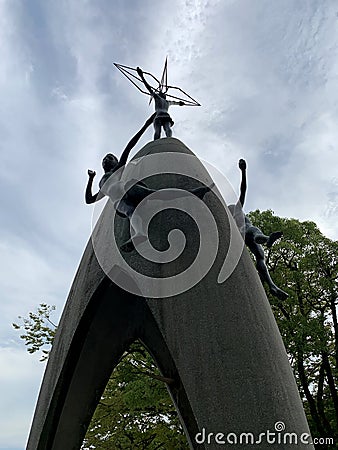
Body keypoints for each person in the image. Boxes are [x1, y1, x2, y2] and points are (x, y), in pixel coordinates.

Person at [85, 115, 211, 252]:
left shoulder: (117, 170)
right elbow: (89, 199)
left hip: (127, 188)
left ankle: (192, 193)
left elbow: (129, 146)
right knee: (130, 212)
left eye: (110, 157)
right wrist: (91, 179)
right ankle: (140, 234)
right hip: (118, 201)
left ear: (116, 162)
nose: (106, 159)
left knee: (156, 195)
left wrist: (145, 125)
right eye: (104, 159)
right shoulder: (102, 186)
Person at [229, 159, 288, 300]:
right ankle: (267, 239)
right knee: (254, 231)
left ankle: (272, 286)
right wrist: (243, 171)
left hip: (242, 238)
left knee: (260, 256)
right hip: (246, 232)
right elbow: (243, 190)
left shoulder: (230, 215)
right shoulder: (236, 211)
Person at [137, 66, 185, 140]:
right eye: (162, 93)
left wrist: (180, 103)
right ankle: (158, 142)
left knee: (167, 129)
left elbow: (175, 103)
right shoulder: (158, 98)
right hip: (159, 116)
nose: (163, 94)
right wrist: (142, 77)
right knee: (158, 131)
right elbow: (149, 88)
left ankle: (169, 140)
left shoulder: (167, 102)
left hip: (164, 116)